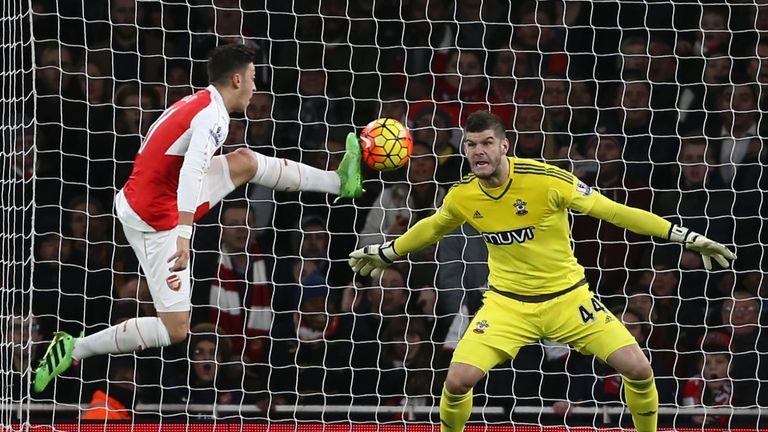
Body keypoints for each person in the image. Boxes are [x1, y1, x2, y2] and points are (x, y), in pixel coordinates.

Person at [348, 110, 736, 432]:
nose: (478, 151)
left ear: (504, 146)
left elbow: (617, 212)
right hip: (506, 307)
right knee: (456, 381)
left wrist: (681, 235)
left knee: (639, 370)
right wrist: (388, 251)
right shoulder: (463, 195)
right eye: (470, 144)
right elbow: (432, 226)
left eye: (486, 143)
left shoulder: (547, 180)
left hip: (568, 300)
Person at [33, 43, 364, 392]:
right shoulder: (214, 117)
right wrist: (182, 233)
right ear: (236, 79)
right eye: (253, 79)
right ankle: (74, 348)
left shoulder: (198, 101)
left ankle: (338, 182)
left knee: (245, 163)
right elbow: (192, 170)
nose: (255, 88)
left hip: (150, 197)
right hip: (155, 220)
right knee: (175, 329)